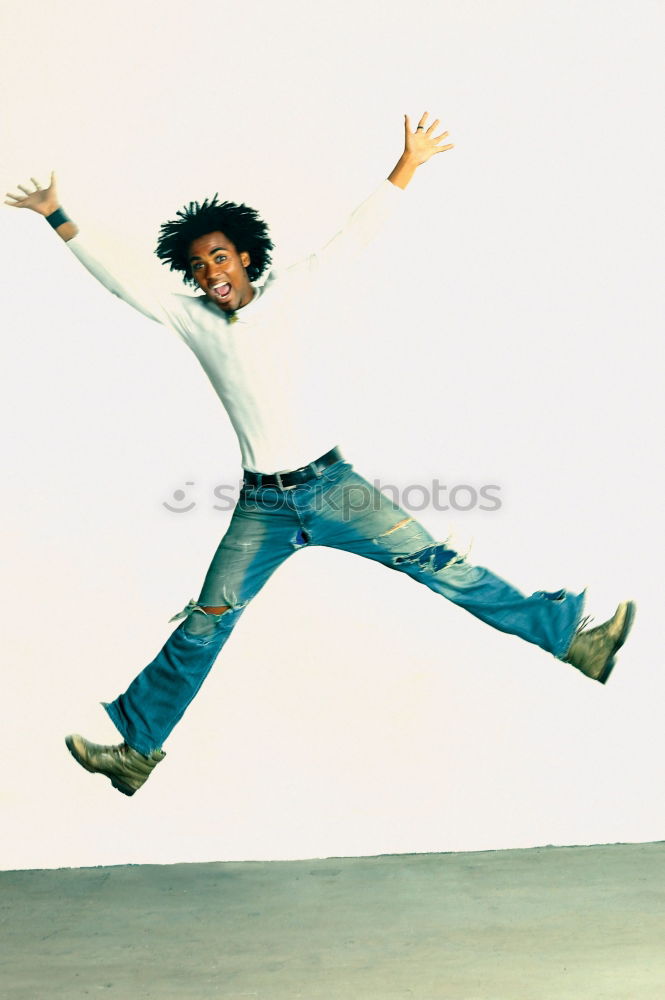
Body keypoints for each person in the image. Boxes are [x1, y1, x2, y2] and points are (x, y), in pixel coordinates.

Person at [6, 111, 635, 798]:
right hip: (262, 507)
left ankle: (576, 642)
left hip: (335, 489)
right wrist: (56, 215)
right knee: (205, 624)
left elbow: (352, 238)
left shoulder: (293, 290)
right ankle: (137, 752)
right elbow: (124, 279)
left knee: (445, 571)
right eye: (197, 264)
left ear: (245, 256)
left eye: (219, 256)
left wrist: (407, 165)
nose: (209, 270)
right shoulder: (190, 317)